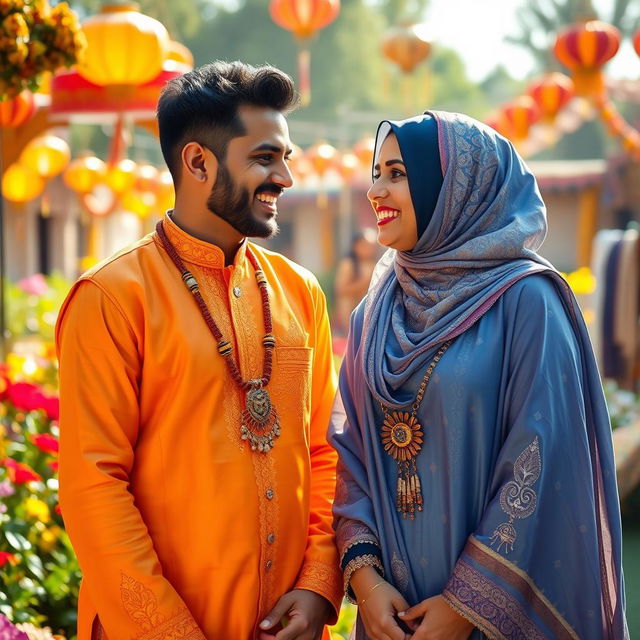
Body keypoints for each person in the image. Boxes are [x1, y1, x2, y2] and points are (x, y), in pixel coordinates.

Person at [56, 62, 342, 640]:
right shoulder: (113, 297)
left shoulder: (297, 291)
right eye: (265, 158)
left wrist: (316, 587)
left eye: (285, 157)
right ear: (197, 163)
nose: (285, 177)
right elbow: (94, 486)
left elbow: (325, 452)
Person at [329, 111, 628, 640]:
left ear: (456, 188)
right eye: (376, 172)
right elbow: (349, 454)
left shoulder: (528, 301)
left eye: (397, 173)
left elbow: (541, 457)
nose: (376, 189)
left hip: (495, 617)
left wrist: (465, 605)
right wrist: (368, 581)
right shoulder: (373, 314)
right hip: (391, 618)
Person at [334, 231, 378, 336]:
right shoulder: (348, 264)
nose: (370, 249)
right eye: (365, 246)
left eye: (372, 246)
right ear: (356, 246)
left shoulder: (373, 264)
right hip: (352, 315)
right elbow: (341, 290)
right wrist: (365, 282)